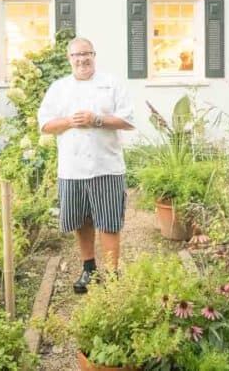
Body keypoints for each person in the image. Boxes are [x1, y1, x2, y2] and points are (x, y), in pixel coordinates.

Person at [37, 37, 135, 294]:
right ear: (69, 59)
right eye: (76, 55)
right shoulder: (59, 88)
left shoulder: (111, 83)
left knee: (110, 221)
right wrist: (70, 121)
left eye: (86, 53)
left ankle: (113, 275)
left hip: (107, 165)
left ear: (94, 54)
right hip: (72, 168)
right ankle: (89, 269)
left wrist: (97, 120)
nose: (81, 59)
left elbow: (127, 120)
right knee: (81, 221)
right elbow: (45, 125)